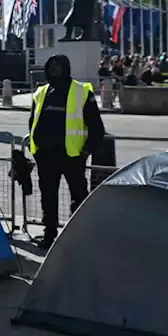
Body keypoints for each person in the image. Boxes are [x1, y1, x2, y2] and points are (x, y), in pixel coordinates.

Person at [28, 54, 106, 249]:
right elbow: (33, 121)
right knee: (48, 197)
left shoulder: (81, 92)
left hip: (72, 156)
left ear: (66, 68)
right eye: (50, 66)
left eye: (57, 67)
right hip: (46, 156)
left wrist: (86, 151)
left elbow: (96, 127)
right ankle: (49, 234)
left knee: (79, 198)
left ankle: (80, 236)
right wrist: (35, 149)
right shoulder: (41, 92)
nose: (53, 70)